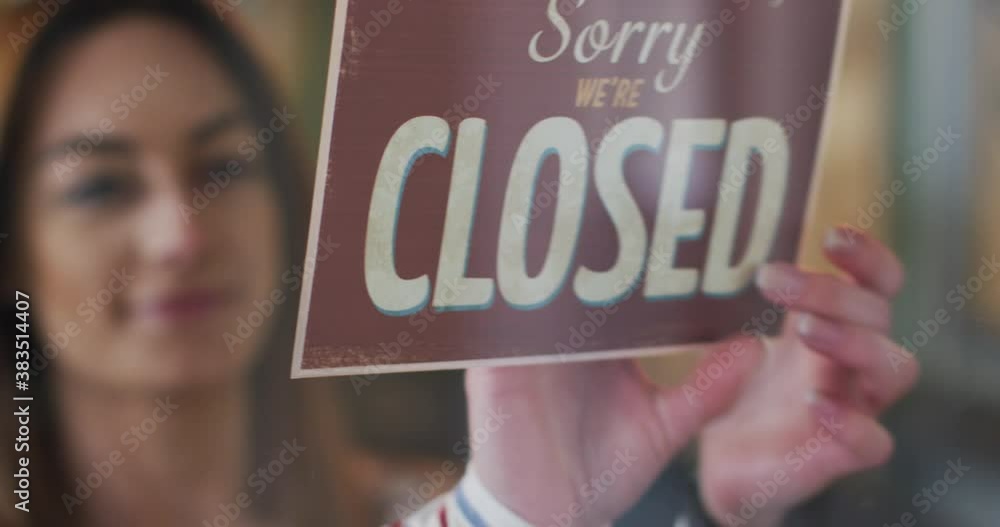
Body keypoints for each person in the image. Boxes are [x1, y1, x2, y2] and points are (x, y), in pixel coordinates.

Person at [0, 1, 920, 526]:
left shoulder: (438, 502)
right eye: (99, 188)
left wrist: (711, 508)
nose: (179, 234)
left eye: (226, 166)